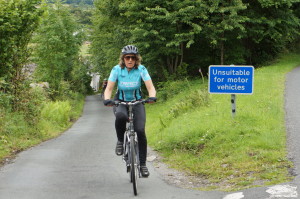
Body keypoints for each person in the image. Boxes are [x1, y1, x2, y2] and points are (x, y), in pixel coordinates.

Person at [103, 45, 156, 177]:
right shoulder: (116, 70)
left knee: (140, 130)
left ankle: (142, 164)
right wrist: (107, 99)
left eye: (133, 57)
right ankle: (120, 141)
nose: (130, 60)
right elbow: (109, 88)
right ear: (123, 59)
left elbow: (150, 87)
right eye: (127, 57)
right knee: (120, 116)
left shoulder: (141, 69)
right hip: (120, 101)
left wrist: (152, 97)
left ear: (136, 59)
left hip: (137, 102)